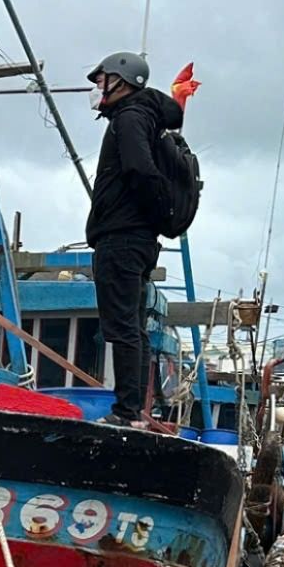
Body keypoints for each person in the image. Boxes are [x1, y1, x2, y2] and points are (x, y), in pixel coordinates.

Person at [84, 51, 185, 426]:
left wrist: (147, 212)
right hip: (137, 240)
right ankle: (135, 410)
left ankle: (126, 412)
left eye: (101, 80)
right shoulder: (145, 117)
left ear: (120, 82)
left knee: (123, 327)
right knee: (134, 327)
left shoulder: (130, 118)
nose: (96, 89)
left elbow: (140, 169)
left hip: (122, 239)